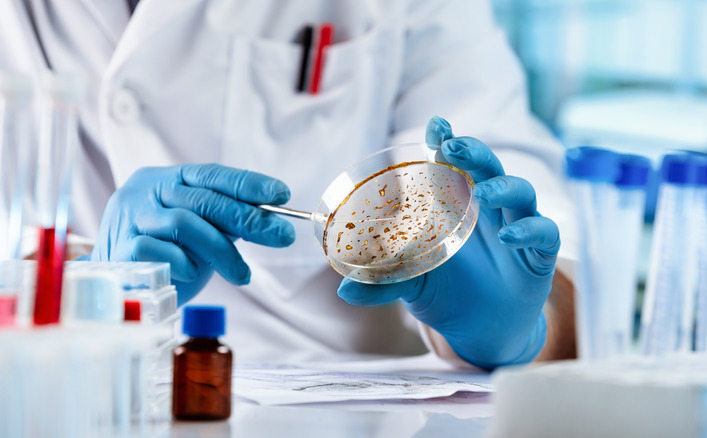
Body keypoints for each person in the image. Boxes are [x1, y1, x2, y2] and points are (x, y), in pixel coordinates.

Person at [2, 0, 577, 369]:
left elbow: (540, 231)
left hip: (340, 410)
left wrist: (520, 334)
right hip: (65, 396)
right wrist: (77, 291)